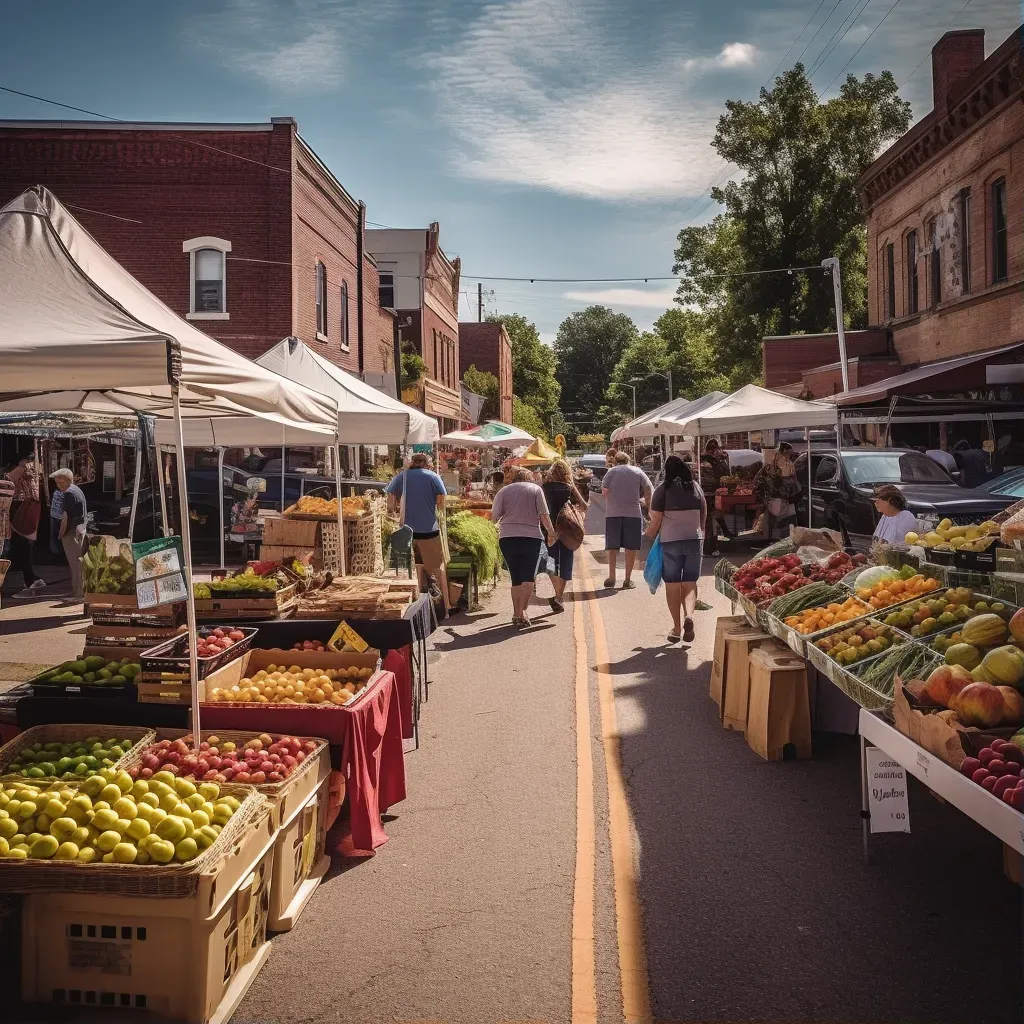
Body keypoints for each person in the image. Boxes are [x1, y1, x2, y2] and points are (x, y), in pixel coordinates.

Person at [646, 455, 706, 644]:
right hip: (694, 540)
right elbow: (704, 512)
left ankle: (677, 628)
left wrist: (648, 535)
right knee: (689, 583)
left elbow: (656, 520)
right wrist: (700, 531)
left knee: (672, 586)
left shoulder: (662, 490)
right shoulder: (696, 487)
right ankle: (690, 616)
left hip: (670, 542)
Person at [385, 452, 451, 611]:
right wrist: (436, 507)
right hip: (429, 529)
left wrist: (392, 511)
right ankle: (444, 605)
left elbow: (390, 495)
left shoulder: (402, 476)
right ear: (427, 464)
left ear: (411, 463)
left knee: (410, 566)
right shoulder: (433, 476)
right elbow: (442, 498)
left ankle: (414, 600)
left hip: (406, 529)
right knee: (436, 566)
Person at [490, 467, 555, 628]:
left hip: (507, 537)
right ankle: (523, 611)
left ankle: (516, 613)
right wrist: (551, 532)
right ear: (530, 479)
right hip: (531, 537)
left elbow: (495, 517)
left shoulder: (503, 491)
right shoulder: (535, 489)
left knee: (516, 578)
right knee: (528, 577)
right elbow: (543, 514)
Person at [541, 459, 588, 613]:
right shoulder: (568, 487)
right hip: (567, 528)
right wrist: (573, 487)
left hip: (549, 527)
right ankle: (559, 596)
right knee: (566, 560)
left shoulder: (545, 487)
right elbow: (584, 506)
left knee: (551, 561)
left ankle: (554, 592)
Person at [601, 451, 652, 590]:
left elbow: (604, 491)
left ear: (616, 461)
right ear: (628, 461)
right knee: (631, 547)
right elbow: (648, 488)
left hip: (613, 513)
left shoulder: (610, 472)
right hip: (633, 513)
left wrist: (613, 498)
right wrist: (648, 505)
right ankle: (627, 579)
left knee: (612, 547)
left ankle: (612, 577)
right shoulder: (637, 471)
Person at [8, 457, 44, 598]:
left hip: (21, 507)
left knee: (20, 546)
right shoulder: (37, 468)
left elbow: (9, 479)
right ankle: (31, 580)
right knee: (23, 547)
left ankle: (32, 580)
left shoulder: (25, 467)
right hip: (31, 506)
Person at [51, 467, 87, 601]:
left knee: (75, 563)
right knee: (79, 562)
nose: (58, 485)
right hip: (80, 529)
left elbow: (65, 518)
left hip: (71, 532)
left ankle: (79, 594)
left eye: (60, 482)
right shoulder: (76, 490)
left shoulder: (68, 494)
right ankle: (79, 591)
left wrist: (60, 534)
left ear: (67, 480)